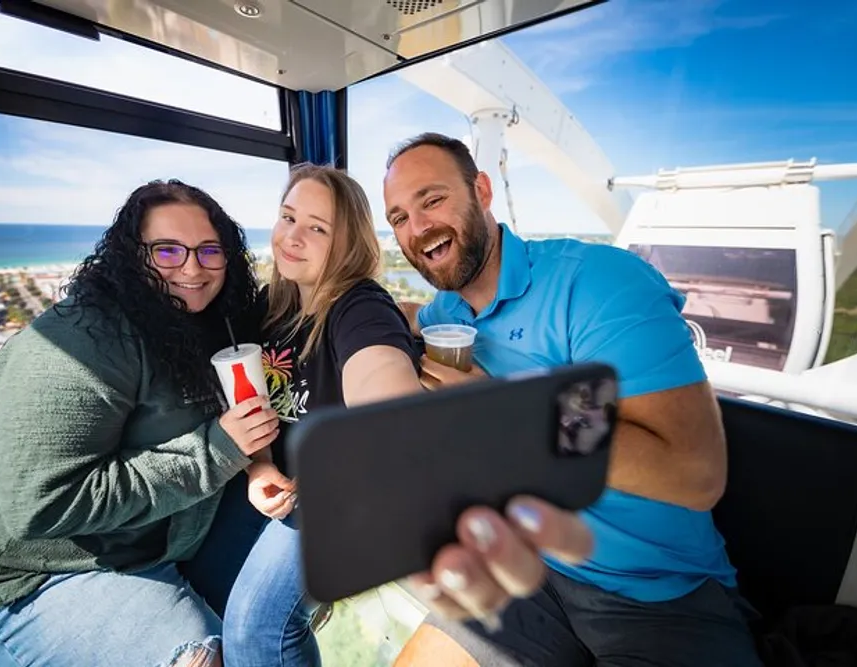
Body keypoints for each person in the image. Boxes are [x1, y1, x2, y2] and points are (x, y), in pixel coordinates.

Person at [383, 133, 764, 667]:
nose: (417, 228)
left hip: (655, 593)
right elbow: (402, 314)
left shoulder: (598, 284)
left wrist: (505, 411)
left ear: (482, 190)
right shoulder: (447, 314)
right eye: (398, 217)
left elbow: (694, 473)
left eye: (432, 199)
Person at [219, 163, 596, 667]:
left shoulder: (358, 306)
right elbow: (256, 400)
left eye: (318, 228)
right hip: (285, 486)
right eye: (289, 218)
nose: (294, 237)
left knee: (254, 627)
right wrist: (258, 465)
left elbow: (380, 381)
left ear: (346, 244)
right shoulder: (274, 306)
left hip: (339, 499)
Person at [0, 180, 281, 667]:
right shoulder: (74, 348)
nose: (193, 268)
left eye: (210, 250)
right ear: (129, 257)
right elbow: (41, 505)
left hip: (142, 550)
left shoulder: (197, 322)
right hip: (14, 582)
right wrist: (216, 451)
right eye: (167, 251)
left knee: (277, 612)